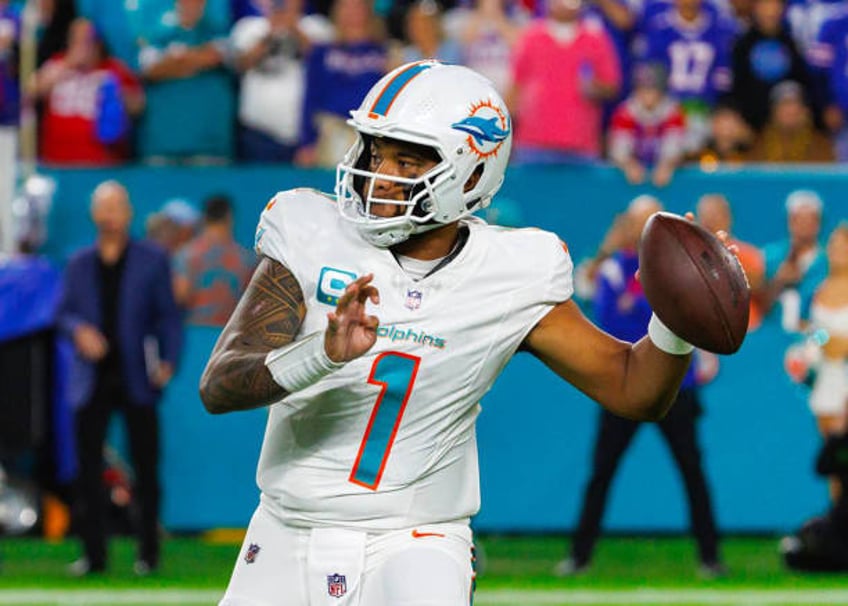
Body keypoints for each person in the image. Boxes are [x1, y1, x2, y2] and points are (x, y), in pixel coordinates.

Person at [200, 60, 699, 606]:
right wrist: (321, 353)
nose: (379, 172)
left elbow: (634, 387)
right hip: (286, 528)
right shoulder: (309, 231)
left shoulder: (511, 272)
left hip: (416, 538)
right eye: (374, 150)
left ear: (471, 173)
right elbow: (220, 385)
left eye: (405, 159)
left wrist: (676, 320)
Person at [555, 195, 726, 580]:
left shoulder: (675, 267)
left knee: (692, 472)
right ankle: (579, 555)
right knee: (602, 472)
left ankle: (711, 556)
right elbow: (599, 306)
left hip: (676, 384)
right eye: (638, 221)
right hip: (624, 380)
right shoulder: (615, 268)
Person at [57, 180, 183, 576]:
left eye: (117, 206)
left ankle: (148, 553)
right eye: (103, 207)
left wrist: (168, 360)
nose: (110, 214)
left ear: (128, 213)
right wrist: (79, 330)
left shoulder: (152, 259)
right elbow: (63, 313)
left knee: (146, 468)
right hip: (90, 379)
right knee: (88, 469)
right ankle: (94, 555)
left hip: (136, 376)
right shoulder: (78, 262)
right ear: (95, 213)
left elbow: (168, 316)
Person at [173, 195, 255, 326]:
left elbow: (180, 296)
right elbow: (253, 304)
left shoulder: (187, 255)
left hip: (194, 336)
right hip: (229, 337)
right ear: (229, 218)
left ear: (204, 218)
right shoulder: (246, 259)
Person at [759, 189, 828, 332]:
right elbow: (755, 308)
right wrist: (778, 282)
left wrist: (815, 337)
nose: (804, 225)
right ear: (790, 221)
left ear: (818, 223)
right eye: (798, 219)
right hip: (771, 339)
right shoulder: (768, 256)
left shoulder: (831, 261)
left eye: (810, 220)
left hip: (814, 340)